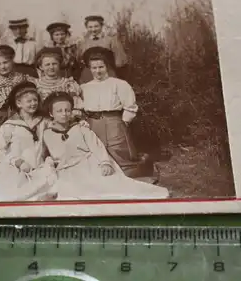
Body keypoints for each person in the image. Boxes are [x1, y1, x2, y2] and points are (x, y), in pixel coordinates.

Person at [41, 92, 169, 200]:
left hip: (88, 165)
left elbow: (96, 146)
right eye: (59, 111)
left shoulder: (80, 129)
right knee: (73, 193)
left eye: (67, 110)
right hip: (67, 170)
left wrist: (105, 162)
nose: (64, 114)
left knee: (107, 188)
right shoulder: (47, 134)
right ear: (51, 114)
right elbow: (47, 154)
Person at [80, 46, 157, 182]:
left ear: (107, 66)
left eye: (101, 67)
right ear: (90, 69)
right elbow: (81, 108)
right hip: (93, 123)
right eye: (94, 68)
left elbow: (130, 106)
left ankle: (137, 170)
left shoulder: (119, 84)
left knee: (118, 152)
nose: (98, 71)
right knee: (97, 152)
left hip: (113, 121)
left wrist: (123, 122)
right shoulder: (86, 87)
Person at [0, 45, 36, 172]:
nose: (3, 66)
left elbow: (36, 88)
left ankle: (20, 166)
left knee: (19, 143)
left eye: (6, 62)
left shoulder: (22, 78)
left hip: (20, 116)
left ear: (12, 60)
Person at [77, 15, 130, 83]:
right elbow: (78, 61)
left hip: (107, 74)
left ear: (101, 26)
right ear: (86, 28)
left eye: (96, 26)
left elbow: (120, 61)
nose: (93, 29)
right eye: (90, 27)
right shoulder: (82, 43)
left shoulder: (111, 40)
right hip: (88, 75)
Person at [33, 47, 83, 120]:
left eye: (54, 64)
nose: (51, 67)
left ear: (59, 64)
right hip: (42, 120)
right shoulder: (35, 84)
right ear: (41, 67)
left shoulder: (69, 84)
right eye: (47, 64)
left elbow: (76, 106)